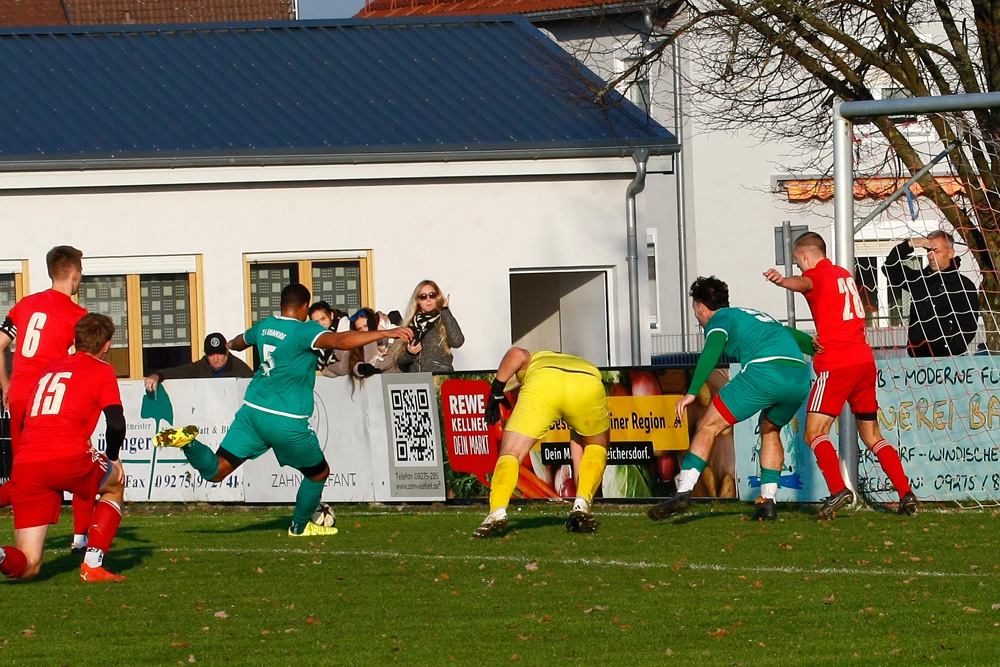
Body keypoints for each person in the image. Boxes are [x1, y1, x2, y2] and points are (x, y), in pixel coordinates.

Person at [153, 283, 413, 537]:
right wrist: (383, 333)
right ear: (304, 307)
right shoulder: (305, 331)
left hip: (252, 412)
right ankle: (299, 527)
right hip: (286, 419)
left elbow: (240, 341)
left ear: (280, 305)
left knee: (216, 471)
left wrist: (230, 345)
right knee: (318, 473)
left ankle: (188, 443)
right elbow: (342, 340)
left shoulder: (265, 326)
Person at [765, 232, 918, 516]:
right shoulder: (843, 274)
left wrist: (783, 281)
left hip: (837, 363)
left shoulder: (817, 274)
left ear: (804, 256)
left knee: (814, 433)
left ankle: (838, 490)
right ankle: (905, 492)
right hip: (863, 360)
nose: (800, 268)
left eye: (799, 262)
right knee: (872, 435)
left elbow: (805, 282)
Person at [648, 276, 812, 522]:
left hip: (764, 372)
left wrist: (692, 393)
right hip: (799, 376)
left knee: (708, 426)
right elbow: (789, 333)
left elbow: (711, 351)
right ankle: (768, 501)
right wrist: (816, 346)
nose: (698, 317)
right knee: (770, 427)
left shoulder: (720, 319)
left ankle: (683, 492)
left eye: (696, 310)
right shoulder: (754, 315)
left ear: (702, 307)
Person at [0, 313, 127, 582]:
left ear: (75, 341)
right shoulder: (102, 369)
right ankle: (92, 565)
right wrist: (114, 459)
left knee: (29, 564)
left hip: (27, 460)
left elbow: (26, 419)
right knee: (114, 484)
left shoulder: (50, 368)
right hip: (68, 455)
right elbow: (115, 423)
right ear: (106, 345)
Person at [0, 245, 94, 551]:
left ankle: (29, 543)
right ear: (75, 274)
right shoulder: (77, 316)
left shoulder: (25, 305)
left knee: (24, 476)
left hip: (18, 396)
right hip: (48, 400)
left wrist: (6, 384)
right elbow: (83, 362)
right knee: (81, 461)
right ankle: (81, 537)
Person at [475, 347, 610, 537]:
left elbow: (516, 354)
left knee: (512, 453)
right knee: (594, 446)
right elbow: (579, 450)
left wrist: (496, 389)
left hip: (544, 383)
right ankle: (582, 502)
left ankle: (497, 511)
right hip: (586, 380)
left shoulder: (536, 359)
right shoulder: (578, 362)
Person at [881, 231, 980, 357]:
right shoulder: (920, 280)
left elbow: (968, 325)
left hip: (948, 359)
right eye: (928, 251)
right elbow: (890, 268)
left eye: (936, 251)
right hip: (916, 357)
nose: (931, 256)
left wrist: (951, 350)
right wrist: (909, 244)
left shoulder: (963, 285)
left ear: (950, 253)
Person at [143, 332, 255, 394]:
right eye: (211, 355)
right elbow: (179, 372)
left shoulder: (240, 368)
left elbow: (256, 388)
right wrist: (157, 375)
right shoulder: (201, 366)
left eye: (219, 354)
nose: (216, 359)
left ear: (227, 351)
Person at [398, 280, 464, 372]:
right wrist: (410, 353)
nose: (428, 299)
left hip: (439, 379)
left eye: (432, 295)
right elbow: (399, 360)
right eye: (423, 296)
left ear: (437, 297)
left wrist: (445, 311)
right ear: (418, 300)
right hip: (417, 381)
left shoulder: (443, 320)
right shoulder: (411, 324)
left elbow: (457, 341)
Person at [325, 308, 406, 379]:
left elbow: (379, 363)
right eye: (360, 329)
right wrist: (358, 369)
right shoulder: (358, 345)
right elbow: (346, 368)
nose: (363, 331)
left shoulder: (394, 338)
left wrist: (371, 335)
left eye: (366, 326)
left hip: (396, 386)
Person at [308, 301, 349, 376]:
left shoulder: (344, 326)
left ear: (331, 315)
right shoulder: (311, 332)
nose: (321, 324)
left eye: (323, 319)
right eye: (316, 322)